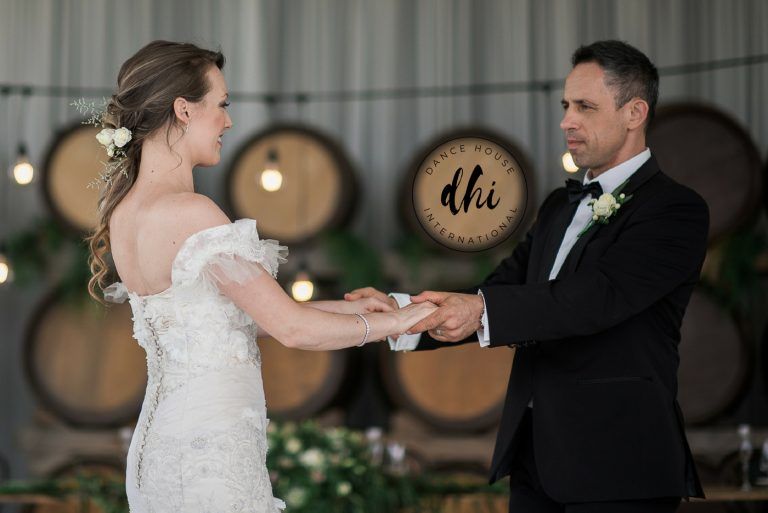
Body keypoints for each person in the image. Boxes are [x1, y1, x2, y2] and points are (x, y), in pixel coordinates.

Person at [347, 40, 708, 512]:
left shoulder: (675, 210)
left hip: (620, 464)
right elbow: (501, 290)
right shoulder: (561, 205)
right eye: (565, 106)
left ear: (634, 112)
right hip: (536, 457)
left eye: (584, 107)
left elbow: (595, 298)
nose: (566, 122)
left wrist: (480, 309)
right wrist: (399, 314)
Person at [86, 40, 436, 513]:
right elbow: (291, 329)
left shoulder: (127, 212)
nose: (228, 121)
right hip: (209, 457)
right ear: (184, 110)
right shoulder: (191, 212)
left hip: (160, 448)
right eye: (222, 105)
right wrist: (398, 323)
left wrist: (356, 309)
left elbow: (249, 317)